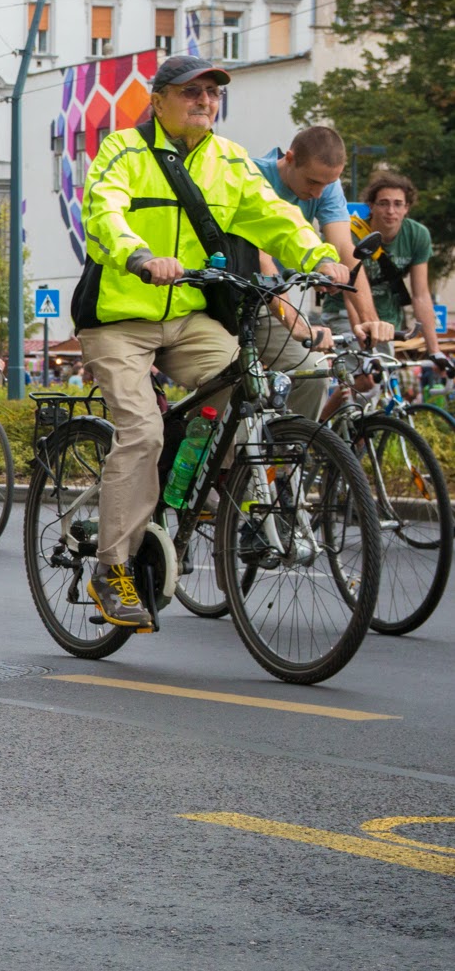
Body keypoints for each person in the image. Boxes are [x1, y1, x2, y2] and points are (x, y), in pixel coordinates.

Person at [76, 55, 344, 628]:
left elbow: (272, 215)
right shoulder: (122, 150)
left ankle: (189, 491)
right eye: (191, 92)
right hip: (120, 318)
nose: (204, 101)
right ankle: (111, 567)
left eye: (212, 94)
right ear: (158, 100)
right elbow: (104, 213)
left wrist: (320, 256)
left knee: (246, 388)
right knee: (142, 430)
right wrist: (140, 256)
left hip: (190, 317)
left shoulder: (229, 159)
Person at [250, 126, 389, 419]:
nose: (318, 192)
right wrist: (298, 325)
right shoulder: (254, 175)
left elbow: (344, 248)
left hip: (275, 301)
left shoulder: (326, 184)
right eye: (313, 181)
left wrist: (369, 321)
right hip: (241, 291)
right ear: (289, 158)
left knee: (314, 374)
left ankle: (291, 456)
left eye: (328, 184)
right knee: (234, 384)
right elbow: (260, 257)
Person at [328, 172, 443, 366]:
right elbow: (349, 293)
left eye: (398, 204)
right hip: (344, 314)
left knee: (383, 380)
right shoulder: (351, 234)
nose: (391, 211)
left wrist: (435, 352)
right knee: (363, 379)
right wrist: (361, 338)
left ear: (407, 208)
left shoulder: (417, 235)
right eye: (383, 203)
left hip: (387, 322)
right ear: (371, 206)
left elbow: (421, 296)